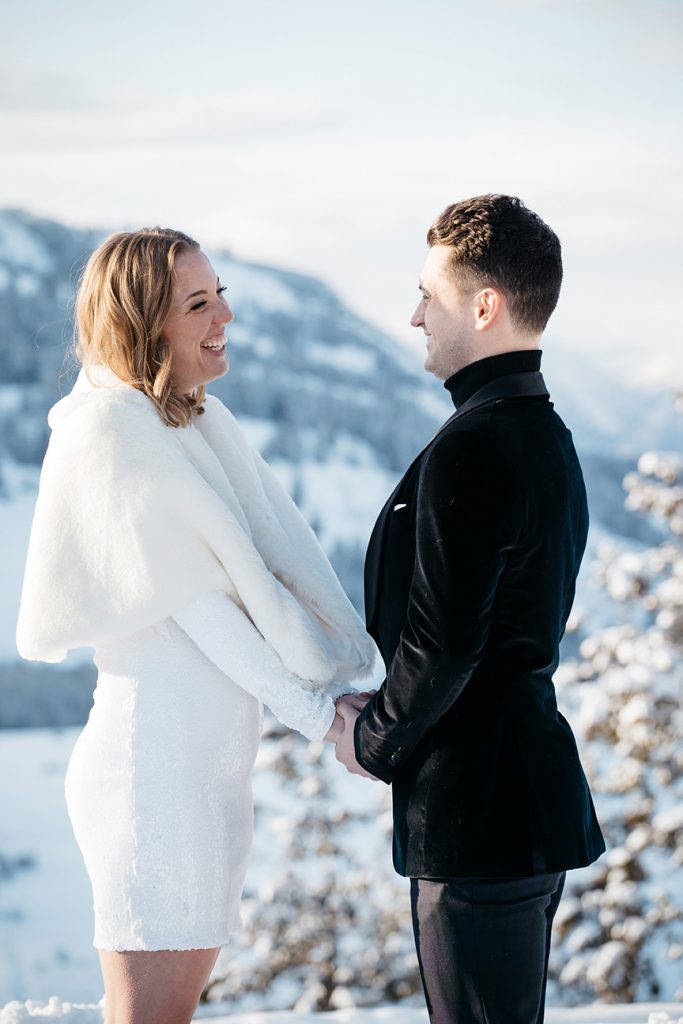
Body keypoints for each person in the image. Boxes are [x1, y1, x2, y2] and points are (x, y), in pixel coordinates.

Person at [16, 227, 377, 1024]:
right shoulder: (115, 434)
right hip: (154, 778)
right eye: (199, 302)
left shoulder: (187, 425)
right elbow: (203, 612)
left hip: (200, 774)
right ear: (147, 323)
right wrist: (323, 718)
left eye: (221, 294)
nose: (226, 316)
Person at [335, 194, 606, 1024]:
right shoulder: (536, 431)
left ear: (484, 306)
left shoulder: (479, 444)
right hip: (511, 800)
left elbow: (443, 643)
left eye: (430, 294)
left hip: (476, 813)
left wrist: (370, 739)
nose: (414, 314)